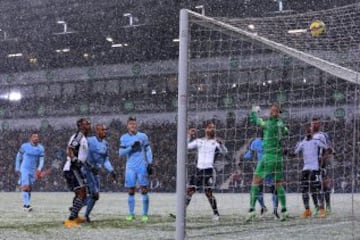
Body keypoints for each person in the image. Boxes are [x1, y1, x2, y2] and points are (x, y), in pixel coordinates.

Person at [246, 103, 289, 221]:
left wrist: (254, 110)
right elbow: (286, 131)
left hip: (268, 157)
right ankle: (284, 210)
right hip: (279, 159)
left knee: (255, 182)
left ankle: (251, 210)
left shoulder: (268, 124)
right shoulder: (281, 125)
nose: (271, 112)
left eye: (272, 111)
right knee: (278, 184)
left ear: (274, 113)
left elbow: (255, 120)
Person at [186, 121, 228, 221]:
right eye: (209, 127)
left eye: (213, 128)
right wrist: (188, 135)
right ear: (205, 129)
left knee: (208, 193)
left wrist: (221, 144)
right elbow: (186, 146)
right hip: (198, 169)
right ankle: (181, 213)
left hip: (208, 170)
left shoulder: (216, 142)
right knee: (190, 191)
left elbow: (225, 152)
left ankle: (216, 214)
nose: (211, 129)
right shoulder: (199, 141)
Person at [119, 116, 153, 223]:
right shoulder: (124, 138)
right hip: (130, 167)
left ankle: (145, 214)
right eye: (130, 124)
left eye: (134, 123)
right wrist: (131, 147)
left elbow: (148, 149)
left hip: (141, 166)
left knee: (144, 189)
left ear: (136, 125)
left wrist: (150, 162)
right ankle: (131, 214)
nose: (133, 125)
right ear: (127, 126)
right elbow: (121, 153)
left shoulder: (143, 136)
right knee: (131, 190)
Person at [63, 118, 94, 228]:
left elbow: (82, 157)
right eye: (86, 123)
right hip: (72, 168)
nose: (89, 125)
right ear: (80, 125)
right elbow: (69, 149)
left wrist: (89, 166)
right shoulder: (79, 136)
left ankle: (74, 216)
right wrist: (74, 160)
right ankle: (70, 220)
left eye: (89, 123)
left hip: (75, 168)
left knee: (79, 193)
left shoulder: (84, 137)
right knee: (82, 193)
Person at [83, 123, 117, 222]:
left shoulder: (105, 144)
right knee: (95, 194)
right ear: (97, 131)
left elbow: (105, 160)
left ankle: (79, 206)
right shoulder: (90, 140)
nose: (104, 131)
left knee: (95, 196)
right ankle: (83, 213)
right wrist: (87, 164)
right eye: (102, 130)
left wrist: (111, 170)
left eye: (105, 130)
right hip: (86, 170)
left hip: (95, 172)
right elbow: (81, 152)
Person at [243, 130, 279, 219]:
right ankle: (266, 208)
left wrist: (245, 157)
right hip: (264, 168)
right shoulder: (257, 142)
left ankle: (272, 210)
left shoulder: (271, 141)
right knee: (259, 189)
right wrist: (244, 157)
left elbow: (249, 154)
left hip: (268, 167)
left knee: (269, 189)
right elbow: (249, 154)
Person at [294, 127, 328, 218]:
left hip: (315, 168)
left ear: (312, 133)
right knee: (304, 190)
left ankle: (322, 209)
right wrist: (286, 153)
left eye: (310, 131)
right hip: (305, 169)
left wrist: (323, 160)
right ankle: (307, 210)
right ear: (305, 132)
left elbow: (327, 148)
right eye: (307, 131)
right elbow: (294, 153)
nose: (309, 132)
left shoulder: (316, 141)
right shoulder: (302, 143)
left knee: (317, 189)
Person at [15, 132, 45, 212]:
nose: (36, 138)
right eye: (34, 137)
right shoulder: (24, 146)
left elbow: (41, 160)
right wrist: (17, 167)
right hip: (24, 168)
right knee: (25, 186)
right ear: (30, 138)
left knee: (29, 188)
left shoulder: (41, 148)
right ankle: (27, 205)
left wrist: (39, 169)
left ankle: (26, 204)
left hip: (33, 170)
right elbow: (18, 156)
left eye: (37, 137)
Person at [311, 117, 333, 214]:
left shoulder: (324, 135)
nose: (314, 125)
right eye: (313, 123)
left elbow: (329, 149)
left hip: (321, 163)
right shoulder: (308, 135)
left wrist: (323, 159)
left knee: (324, 184)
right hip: (310, 164)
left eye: (316, 123)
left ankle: (327, 206)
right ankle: (317, 206)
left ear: (319, 124)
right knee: (313, 185)